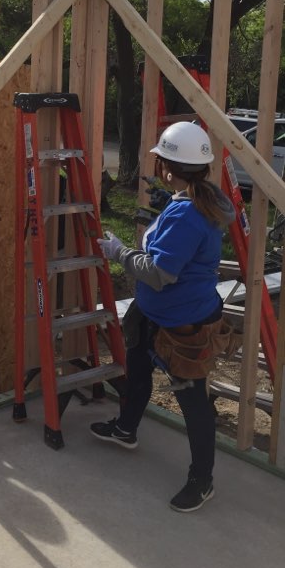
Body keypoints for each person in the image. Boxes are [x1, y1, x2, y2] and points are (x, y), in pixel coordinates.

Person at [92, 122, 235, 513]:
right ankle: (126, 429)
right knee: (136, 370)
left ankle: (201, 480)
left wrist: (119, 252)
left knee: (193, 403)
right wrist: (165, 202)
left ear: (170, 169)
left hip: (182, 323)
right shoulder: (192, 198)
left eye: (161, 164)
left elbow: (159, 272)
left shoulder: (188, 214)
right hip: (155, 313)